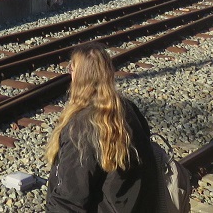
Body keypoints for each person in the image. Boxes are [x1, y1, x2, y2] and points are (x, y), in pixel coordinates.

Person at [45, 43, 158, 213]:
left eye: (72, 69)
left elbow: (69, 200)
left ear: (79, 77)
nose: (70, 74)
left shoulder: (81, 128)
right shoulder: (128, 109)